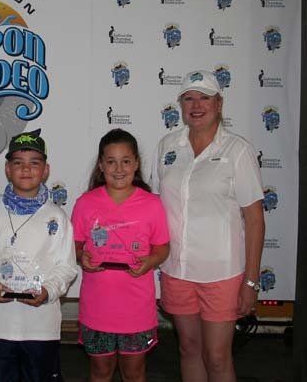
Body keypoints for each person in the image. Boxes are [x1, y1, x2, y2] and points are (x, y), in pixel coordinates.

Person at [150, 70, 265, 382]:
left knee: (217, 357)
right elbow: (153, 206)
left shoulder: (237, 150)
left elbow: (255, 219)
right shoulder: (167, 146)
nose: (196, 105)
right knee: (189, 348)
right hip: (177, 270)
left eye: (204, 97)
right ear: (181, 105)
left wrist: (251, 282)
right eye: (189, 98)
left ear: (219, 103)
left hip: (221, 274)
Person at [0, 131, 77, 382]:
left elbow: (67, 267)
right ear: (7, 169)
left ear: (46, 170)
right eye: (18, 163)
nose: (26, 169)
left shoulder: (58, 217)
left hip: (41, 328)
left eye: (34, 163)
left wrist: (48, 290)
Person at [71, 129, 169, 382]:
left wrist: (150, 261)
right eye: (111, 161)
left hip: (136, 310)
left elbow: (162, 248)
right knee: (100, 372)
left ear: (136, 164)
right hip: (97, 308)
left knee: (134, 373)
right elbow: (74, 245)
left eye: (125, 161)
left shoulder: (153, 204)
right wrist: (81, 256)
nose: (118, 169)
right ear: (101, 165)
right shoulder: (85, 203)